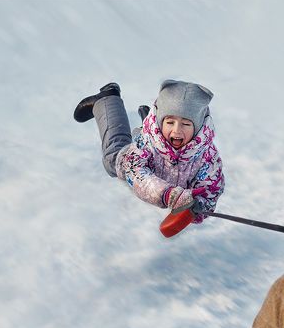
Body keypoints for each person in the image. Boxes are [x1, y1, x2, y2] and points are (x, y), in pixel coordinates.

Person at [73, 80, 224, 223]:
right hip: (144, 155)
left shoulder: (207, 156)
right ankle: (107, 99)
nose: (177, 130)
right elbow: (136, 173)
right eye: (170, 122)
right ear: (160, 122)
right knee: (113, 160)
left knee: (151, 138)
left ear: (198, 128)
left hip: (159, 158)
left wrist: (199, 206)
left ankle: (145, 122)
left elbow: (211, 189)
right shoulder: (147, 144)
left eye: (185, 124)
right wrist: (168, 195)